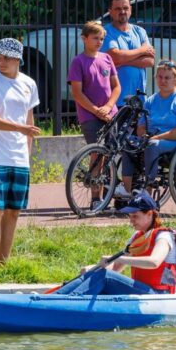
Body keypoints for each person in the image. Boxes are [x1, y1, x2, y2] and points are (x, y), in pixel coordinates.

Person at [0, 38, 41, 265]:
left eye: (6, 58)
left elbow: (29, 121)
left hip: (19, 157)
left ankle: (5, 262)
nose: (0, 62)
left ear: (18, 60)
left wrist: (27, 156)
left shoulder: (29, 84)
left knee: (14, 211)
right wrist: (21, 128)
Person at [54, 193, 176, 295]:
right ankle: (55, 298)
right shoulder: (137, 237)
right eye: (130, 217)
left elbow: (154, 262)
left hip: (158, 294)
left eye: (135, 216)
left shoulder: (164, 237)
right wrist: (92, 270)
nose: (131, 221)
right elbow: (117, 268)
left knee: (104, 276)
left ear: (150, 214)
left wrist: (118, 258)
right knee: (95, 273)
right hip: (141, 291)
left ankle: (68, 301)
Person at [121, 60, 176, 195]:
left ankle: (147, 192)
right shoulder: (151, 100)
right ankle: (126, 189)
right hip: (154, 138)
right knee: (127, 142)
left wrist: (156, 137)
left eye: (167, 77)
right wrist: (143, 135)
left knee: (152, 144)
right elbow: (141, 126)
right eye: (160, 77)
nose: (163, 81)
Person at [68, 21, 121, 209]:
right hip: (90, 116)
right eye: (95, 38)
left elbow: (116, 87)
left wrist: (108, 106)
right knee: (97, 154)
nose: (99, 42)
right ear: (85, 39)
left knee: (110, 154)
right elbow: (77, 93)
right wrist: (96, 110)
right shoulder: (78, 62)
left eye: (102, 39)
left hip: (109, 114)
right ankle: (95, 197)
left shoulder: (106, 58)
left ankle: (108, 192)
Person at [101, 0, 155, 102]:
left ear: (130, 9)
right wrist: (142, 50)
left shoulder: (140, 31)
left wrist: (124, 62)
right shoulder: (105, 32)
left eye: (125, 8)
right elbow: (115, 57)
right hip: (115, 100)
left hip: (139, 100)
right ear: (110, 12)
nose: (122, 11)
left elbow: (150, 61)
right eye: (117, 9)